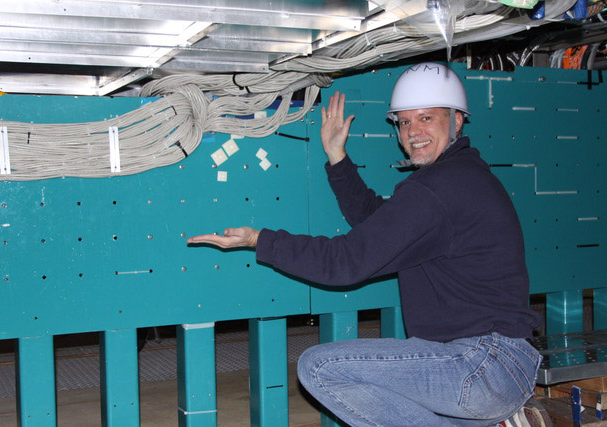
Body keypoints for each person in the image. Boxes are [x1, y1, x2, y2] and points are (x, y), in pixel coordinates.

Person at [188, 62, 542, 426]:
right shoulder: (461, 179)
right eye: (404, 122)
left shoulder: (439, 187)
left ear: (456, 121)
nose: (413, 132)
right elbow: (378, 223)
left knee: (320, 367)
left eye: (426, 119)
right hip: (498, 367)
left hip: (480, 367)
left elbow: (346, 262)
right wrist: (337, 157)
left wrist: (259, 240)